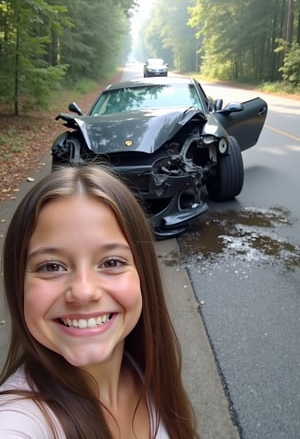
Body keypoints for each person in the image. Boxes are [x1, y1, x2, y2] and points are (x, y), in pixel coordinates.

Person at [0, 165, 200, 439]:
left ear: (144, 276)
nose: (83, 291)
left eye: (112, 262)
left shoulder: (148, 372)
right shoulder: (18, 420)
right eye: (51, 267)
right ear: (18, 284)